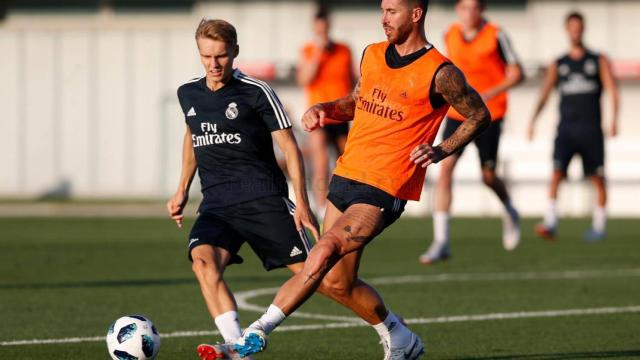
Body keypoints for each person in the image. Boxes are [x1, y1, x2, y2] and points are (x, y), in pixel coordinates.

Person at [221, 0, 491, 358]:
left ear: (416, 14)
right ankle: (400, 338)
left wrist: (442, 149)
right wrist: (326, 110)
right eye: (382, 9)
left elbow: (478, 115)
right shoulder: (372, 54)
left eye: (392, 11)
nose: (384, 18)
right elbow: (357, 101)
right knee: (336, 281)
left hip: (386, 186)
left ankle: (256, 333)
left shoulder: (441, 71)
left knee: (325, 247)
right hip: (347, 175)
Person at [169, 19, 430, 360]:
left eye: (221, 56)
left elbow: (290, 148)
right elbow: (192, 137)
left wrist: (302, 203)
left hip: (265, 201)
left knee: (328, 280)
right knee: (203, 263)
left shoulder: (257, 92)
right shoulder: (188, 93)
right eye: (206, 56)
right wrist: (182, 189)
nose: (214, 64)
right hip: (217, 203)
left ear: (234, 52)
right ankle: (238, 349)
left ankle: (394, 328)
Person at [418, 0, 524, 265]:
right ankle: (441, 241)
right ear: (457, 9)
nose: (469, 13)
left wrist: (490, 93)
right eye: (464, 7)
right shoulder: (449, 34)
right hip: (458, 115)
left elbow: (517, 73)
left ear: (482, 9)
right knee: (444, 169)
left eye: (474, 7)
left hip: (489, 115)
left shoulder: (496, 35)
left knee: (488, 176)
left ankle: (510, 210)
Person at [528, 11, 619, 242]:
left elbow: (612, 91)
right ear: (567, 30)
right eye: (572, 27)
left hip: (591, 131)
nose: (575, 31)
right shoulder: (558, 64)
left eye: (579, 27)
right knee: (557, 174)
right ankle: (550, 222)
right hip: (566, 131)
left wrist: (614, 119)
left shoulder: (598, 60)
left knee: (597, 179)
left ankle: (599, 226)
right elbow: (545, 94)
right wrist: (533, 120)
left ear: (583, 29)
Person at [297, 6, 355, 217]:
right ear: (315, 29)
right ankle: (322, 210)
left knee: (348, 162)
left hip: (340, 112)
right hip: (318, 116)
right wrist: (319, 53)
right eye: (318, 30)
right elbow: (304, 79)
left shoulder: (343, 50)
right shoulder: (308, 51)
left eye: (325, 29)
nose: (322, 33)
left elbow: (353, 79)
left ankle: (347, 203)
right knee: (320, 162)